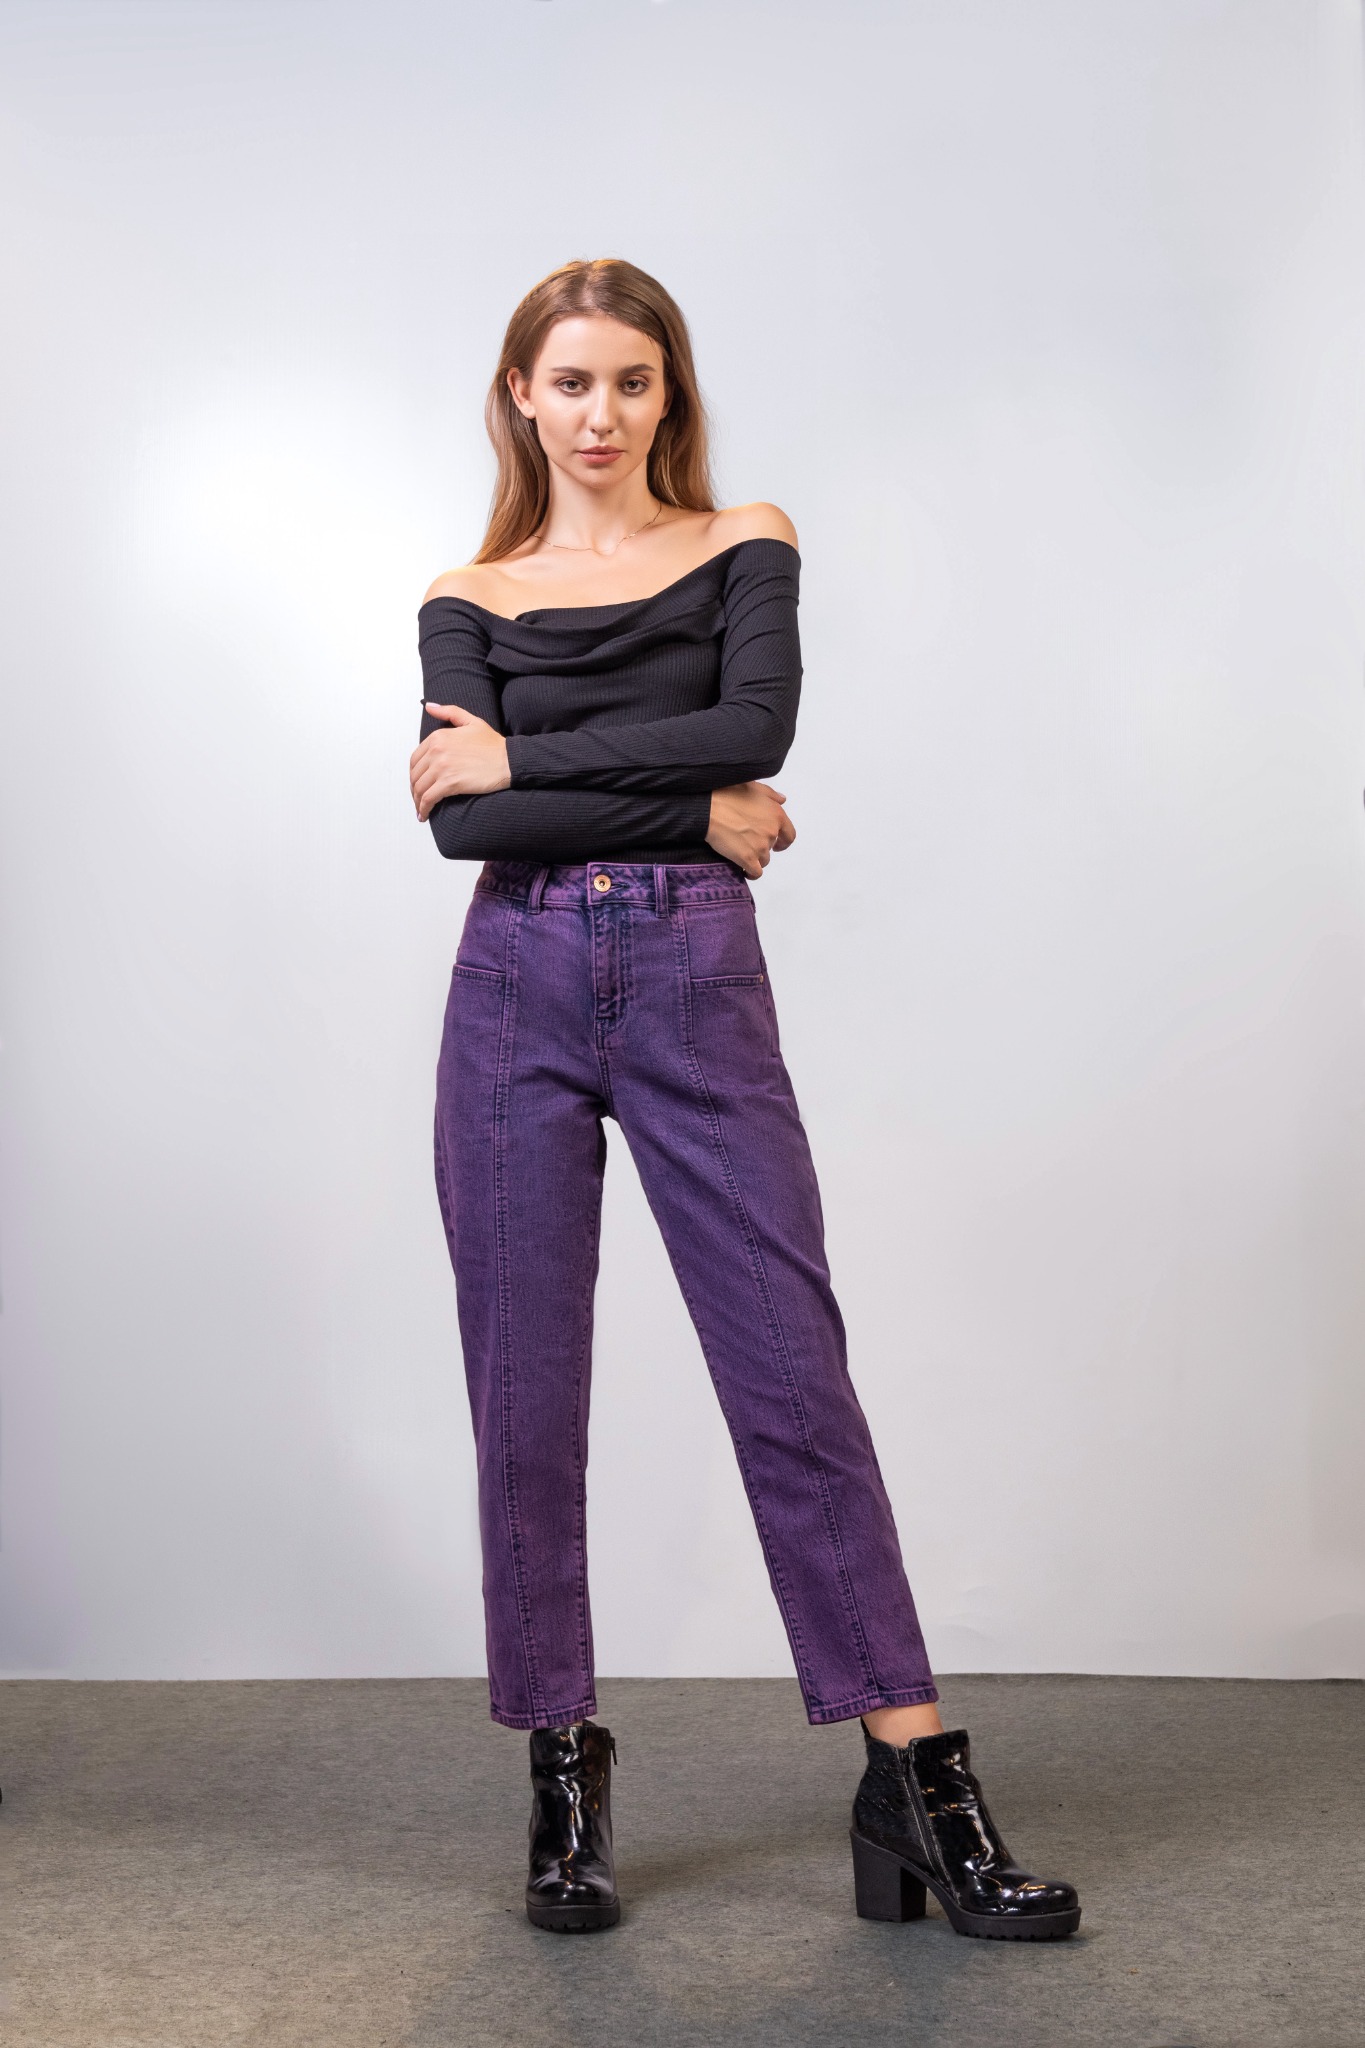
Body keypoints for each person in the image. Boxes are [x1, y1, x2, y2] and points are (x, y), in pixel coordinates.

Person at [408, 258, 1080, 1941]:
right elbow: (464, 826)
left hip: (693, 980)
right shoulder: (466, 593)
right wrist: (691, 806)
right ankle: (563, 1771)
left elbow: (756, 722)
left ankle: (913, 1778)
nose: (600, 415)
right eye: (570, 382)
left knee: (789, 1370)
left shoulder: (742, 540)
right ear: (519, 398)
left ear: (669, 395)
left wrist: (538, 762)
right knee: (523, 1393)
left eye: (631, 382)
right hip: (513, 986)